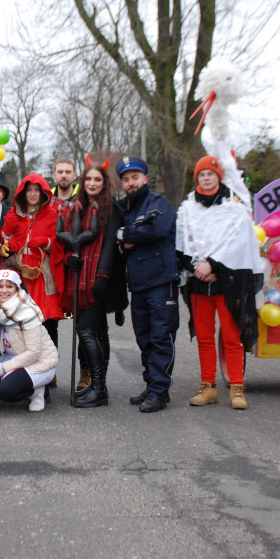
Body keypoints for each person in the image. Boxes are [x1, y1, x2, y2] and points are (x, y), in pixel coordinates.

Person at [177, 156, 264, 410]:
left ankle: (237, 387)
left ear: (219, 177)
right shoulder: (187, 208)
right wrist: (197, 268)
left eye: (210, 174)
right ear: (197, 179)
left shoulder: (234, 207)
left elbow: (236, 243)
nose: (206, 178)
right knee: (204, 337)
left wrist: (212, 266)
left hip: (228, 282)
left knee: (231, 336)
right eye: (201, 174)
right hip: (198, 283)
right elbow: (180, 245)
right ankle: (208, 387)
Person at [115, 155, 180, 413]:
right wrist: (125, 240)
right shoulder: (126, 209)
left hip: (162, 280)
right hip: (139, 283)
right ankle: (151, 385)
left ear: (145, 178)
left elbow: (157, 231)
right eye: (126, 179)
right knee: (145, 338)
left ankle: (160, 391)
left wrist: (126, 236)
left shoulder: (160, 203)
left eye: (135, 177)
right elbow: (119, 239)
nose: (131, 183)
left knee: (161, 336)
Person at [59, 163, 125, 407]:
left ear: (104, 183)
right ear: (83, 182)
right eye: (89, 179)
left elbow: (109, 244)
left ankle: (98, 388)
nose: (93, 183)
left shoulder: (110, 209)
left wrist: (102, 276)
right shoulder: (77, 208)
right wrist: (70, 259)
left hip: (97, 279)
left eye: (98, 179)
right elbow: (68, 242)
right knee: (97, 332)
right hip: (79, 276)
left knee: (86, 331)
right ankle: (100, 387)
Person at [0, 173, 65, 348]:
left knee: (47, 323)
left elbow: (60, 245)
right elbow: (2, 243)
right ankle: (23, 367)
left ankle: (49, 369)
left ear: (43, 193)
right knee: (20, 323)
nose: (33, 194)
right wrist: (7, 229)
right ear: (23, 192)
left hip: (42, 276)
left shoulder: (52, 215)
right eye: (29, 190)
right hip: (20, 275)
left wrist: (46, 242)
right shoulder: (14, 214)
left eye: (37, 190)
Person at [0, 269, 58, 412]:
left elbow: (34, 353)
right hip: (8, 357)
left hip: (38, 362)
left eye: (9, 287)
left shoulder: (27, 312)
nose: (4, 291)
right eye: (0, 286)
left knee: (6, 392)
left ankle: (37, 393)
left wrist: (3, 368)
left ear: (17, 288)